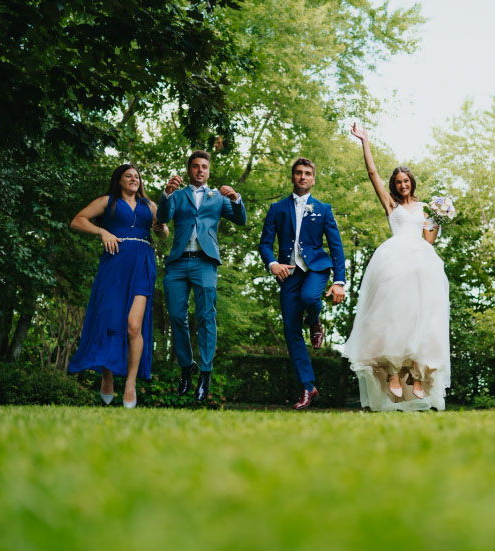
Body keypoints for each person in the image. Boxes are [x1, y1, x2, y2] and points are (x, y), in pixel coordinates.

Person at [341, 124, 451, 411]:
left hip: (421, 263)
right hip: (393, 261)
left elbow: (429, 239)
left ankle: (417, 376)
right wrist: (365, 141)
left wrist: (439, 220)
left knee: (422, 317)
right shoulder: (391, 206)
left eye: (406, 181)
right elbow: (372, 174)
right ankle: (391, 371)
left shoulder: (427, 208)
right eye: (399, 182)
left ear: (412, 182)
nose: (403, 185)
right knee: (391, 316)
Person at [68, 164, 167, 409]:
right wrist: (102, 231)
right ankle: (107, 375)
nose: (134, 179)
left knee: (134, 326)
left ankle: (131, 385)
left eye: (137, 176)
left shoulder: (150, 205)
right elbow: (77, 220)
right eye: (128, 176)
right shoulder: (108, 201)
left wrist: (161, 228)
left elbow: (163, 232)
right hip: (114, 264)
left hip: (143, 265)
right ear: (120, 180)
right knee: (111, 323)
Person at [157, 150, 247, 405]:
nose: (199, 170)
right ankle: (187, 366)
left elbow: (241, 219)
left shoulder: (218, 198)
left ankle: (204, 375)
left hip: (205, 263)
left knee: (207, 317)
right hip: (177, 264)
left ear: (208, 170)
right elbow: (163, 217)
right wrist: (166, 193)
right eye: (195, 166)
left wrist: (236, 198)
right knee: (176, 315)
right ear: (189, 170)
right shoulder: (178, 195)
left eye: (204, 166)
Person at [258, 157, 346, 409]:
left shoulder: (323, 209)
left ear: (313, 179)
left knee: (310, 298)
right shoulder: (277, 208)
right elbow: (265, 243)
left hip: (316, 268)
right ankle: (308, 386)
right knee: (290, 331)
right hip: (288, 273)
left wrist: (339, 280)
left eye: (308, 173)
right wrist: (272, 264)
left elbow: (336, 246)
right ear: (292, 176)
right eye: (298, 172)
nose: (303, 176)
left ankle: (315, 321)